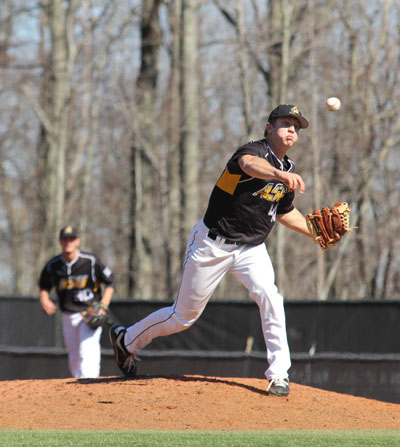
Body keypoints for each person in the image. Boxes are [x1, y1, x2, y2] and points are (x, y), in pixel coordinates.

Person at [110, 104, 318, 396]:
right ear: (269, 128)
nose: (292, 130)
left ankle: (279, 374)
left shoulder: (288, 170)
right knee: (183, 317)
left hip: (252, 249)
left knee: (271, 297)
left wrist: (315, 231)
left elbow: (284, 212)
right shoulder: (252, 153)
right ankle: (126, 341)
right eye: (286, 123)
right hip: (212, 243)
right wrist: (278, 175)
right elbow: (248, 166)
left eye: (296, 127)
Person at [39, 225, 115, 378]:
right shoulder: (53, 265)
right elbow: (44, 286)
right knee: (74, 356)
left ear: (77, 241)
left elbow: (110, 282)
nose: (68, 242)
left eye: (71, 239)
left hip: (88, 312)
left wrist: (103, 305)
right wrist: (45, 300)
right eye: (65, 239)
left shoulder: (90, 261)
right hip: (67, 315)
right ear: (60, 241)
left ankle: (89, 384)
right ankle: (78, 390)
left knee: (87, 350)